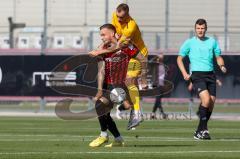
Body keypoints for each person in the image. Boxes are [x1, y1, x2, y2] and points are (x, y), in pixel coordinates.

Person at [89, 24, 140, 147]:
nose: (101, 37)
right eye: (100, 35)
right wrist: (100, 90)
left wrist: (139, 74)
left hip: (121, 86)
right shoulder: (102, 49)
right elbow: (101, 71)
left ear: (112, 33)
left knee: (100, 105)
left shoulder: (126, 45)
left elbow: (141, 58)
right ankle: (118, 139)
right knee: (103, 112)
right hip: (108, 86)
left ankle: (103, 135)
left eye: (103, 34)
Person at [177, 18, 227, 140]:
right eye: (198, 28)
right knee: (205, 100)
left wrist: (222, 65)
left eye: (202, 28)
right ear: (195, 29)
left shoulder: (212, 42)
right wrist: (184, 73)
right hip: (197, 75)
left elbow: (218, 57)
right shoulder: (189, 42)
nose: (200, 30)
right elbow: (179, 59)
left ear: (206, 29)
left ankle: (199, 130)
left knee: (211, 103)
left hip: (211, 75)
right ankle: (204, 130)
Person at [111, 3, 149, 129]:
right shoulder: (115, 16)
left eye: (122, 18)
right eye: (118, 16)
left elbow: (119, 44)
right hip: (127, 53)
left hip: (137, 54)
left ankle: (137, 113)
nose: (119, 19)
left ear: (127, 15)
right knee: (123, 83)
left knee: (129, 81)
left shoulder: (131, 26)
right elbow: (114, 33)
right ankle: (133, 109)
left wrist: (144, 77)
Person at [151, 54, 167, 119]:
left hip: (161, 84)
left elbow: (164, 76)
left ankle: (153, 114)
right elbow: (150, 61)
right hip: (157, 84)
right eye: (159, 57)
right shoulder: (155, 65)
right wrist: (156, 57)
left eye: (162, 57)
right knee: (158, 99)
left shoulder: (163, 65)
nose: (160, 58)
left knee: (158, 100)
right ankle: (162, 114)